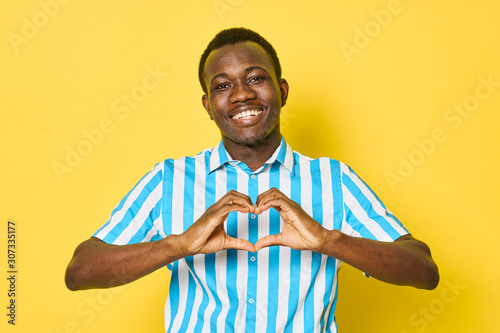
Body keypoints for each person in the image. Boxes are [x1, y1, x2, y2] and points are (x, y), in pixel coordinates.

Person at [65, 27, 439, 332]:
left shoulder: (333, 179)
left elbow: (422, 271)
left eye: (256, 78)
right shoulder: (169, 180)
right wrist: (177, 246)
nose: (242, 94)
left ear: (282, 91)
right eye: (223, 85)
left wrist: (328, 240)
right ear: (208, 106)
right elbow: (81, 271)